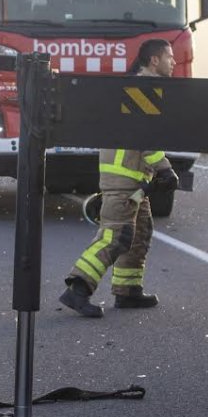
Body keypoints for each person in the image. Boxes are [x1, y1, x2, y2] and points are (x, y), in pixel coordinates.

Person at [58, 39, 179, 318]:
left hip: (135, 182)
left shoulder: (138, 89)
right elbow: (145, 139)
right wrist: (164, 168)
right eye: (169, 57)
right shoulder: (142, 91)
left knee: (138, 234)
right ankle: (78, 288)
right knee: (116, 236)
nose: (173, 62)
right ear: (154, 61)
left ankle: (127, 291)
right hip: (124, 183)